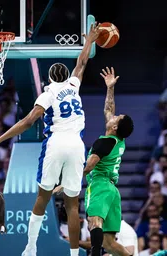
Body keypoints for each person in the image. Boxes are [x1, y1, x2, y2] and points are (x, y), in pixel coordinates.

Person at [0, 23, 100, 256]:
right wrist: (89, 40)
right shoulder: (73, 85)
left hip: (56, 143)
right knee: (72, 205)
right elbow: (81, 63)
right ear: (66, 77)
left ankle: (30, 247)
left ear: (49, 79)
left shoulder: (48, 94)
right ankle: (74, 254)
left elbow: (28, 122)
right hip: (77, 146)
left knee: (42, 196)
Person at [83, 67, 134, 256]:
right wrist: (110, 88)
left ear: (114, 126)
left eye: (117, 118)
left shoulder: (104, 143)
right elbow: (108, 109)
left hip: (100, 185)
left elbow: (89, 166)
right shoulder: (118, 140)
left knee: (94, 222)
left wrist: (66, 182)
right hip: (113, 191)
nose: (113, 115)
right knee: (110, 244)